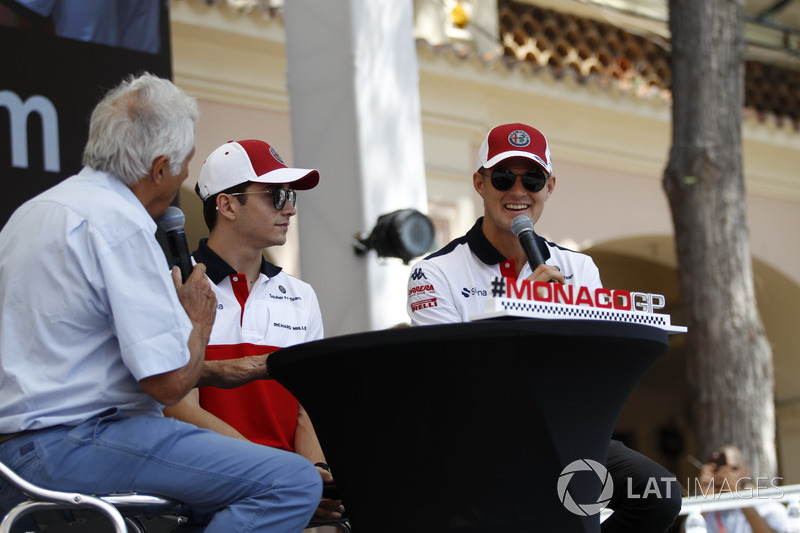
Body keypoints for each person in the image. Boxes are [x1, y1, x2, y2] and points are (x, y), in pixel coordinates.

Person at [0, 73, 321, 533]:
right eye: (185, 164)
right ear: (161, 167)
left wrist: (219, 370)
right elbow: (169, 387)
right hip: (80, 445)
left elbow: (82, 364)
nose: (185, 177)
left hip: (17, 454)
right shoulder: (121, 224)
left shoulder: (33, 212)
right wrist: (196, 322)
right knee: (290, 483)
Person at [406, 122, 682, 532]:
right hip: (481, 439)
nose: (518, 191)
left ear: (549, 186)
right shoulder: (433, 272)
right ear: (480, 183)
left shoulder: (579, 267)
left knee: (659, 495)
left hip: (567, 430)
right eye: (503, 177)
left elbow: (592, 366)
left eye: (532, 178)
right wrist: (520, 306)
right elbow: (449, 379)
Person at [163, 139, 344, 522]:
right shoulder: (175, 284)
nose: (291, 208)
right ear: (227, 205)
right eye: (275, 195)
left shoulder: (301, 295)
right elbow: (178, 407)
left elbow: (306, 408)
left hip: (284, 494)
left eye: (290, 194)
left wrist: (315, 476)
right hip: (204, 494)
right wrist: (280, 474)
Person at [690, 445, 787, 533]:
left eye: (733, 469)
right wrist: (703, 502)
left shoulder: (766, 504)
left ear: (746, 472)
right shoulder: (703, 509)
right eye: (718, 470)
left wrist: (739, 496)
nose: (725, 475)